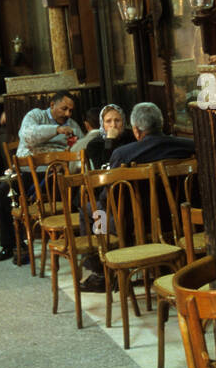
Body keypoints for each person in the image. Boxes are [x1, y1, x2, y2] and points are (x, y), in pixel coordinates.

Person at [78, 102, 196, 291]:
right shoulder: (189, 146)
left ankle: (101, 274)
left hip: (132, 224)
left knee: (91, 211)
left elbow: (110, 197)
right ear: (162, 123)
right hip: (178, 219)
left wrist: (101, 202)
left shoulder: (123, 154)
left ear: (136, 130)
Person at [0, 91, 82, 263]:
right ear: (52, 105)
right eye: (64, 109)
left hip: (55, 174)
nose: (67, 114)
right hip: (27, 172)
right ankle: (11, 245)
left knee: (77, 190)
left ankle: (73, 239)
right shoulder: (35, 116)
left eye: (70, 110)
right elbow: (27, 135)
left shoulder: (73, 124)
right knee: (3, 191)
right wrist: (56, 130)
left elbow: (80, 148)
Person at [74, 102, 128, 170]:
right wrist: (110, 140)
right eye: (108, 121)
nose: (113, 125)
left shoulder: (131, 137)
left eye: (117, 120)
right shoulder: (94, 144)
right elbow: (103, 167)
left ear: (123, 122)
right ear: (102, 124)